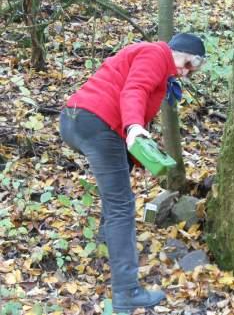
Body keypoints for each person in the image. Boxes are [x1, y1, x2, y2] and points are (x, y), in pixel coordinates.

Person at [59, 33, 206, 313]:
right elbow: (134, 90)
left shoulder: (159, 65)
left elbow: (130, 92)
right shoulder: (156, 54)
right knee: (122, 206)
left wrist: (140, 150)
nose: (186, 72)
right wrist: (134, 128)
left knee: (120, 174)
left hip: (81, 121)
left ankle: (106, 240)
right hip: (97, 123)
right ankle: (126, 293)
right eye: (188, 64)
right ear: (178, 51)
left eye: (192, 70)